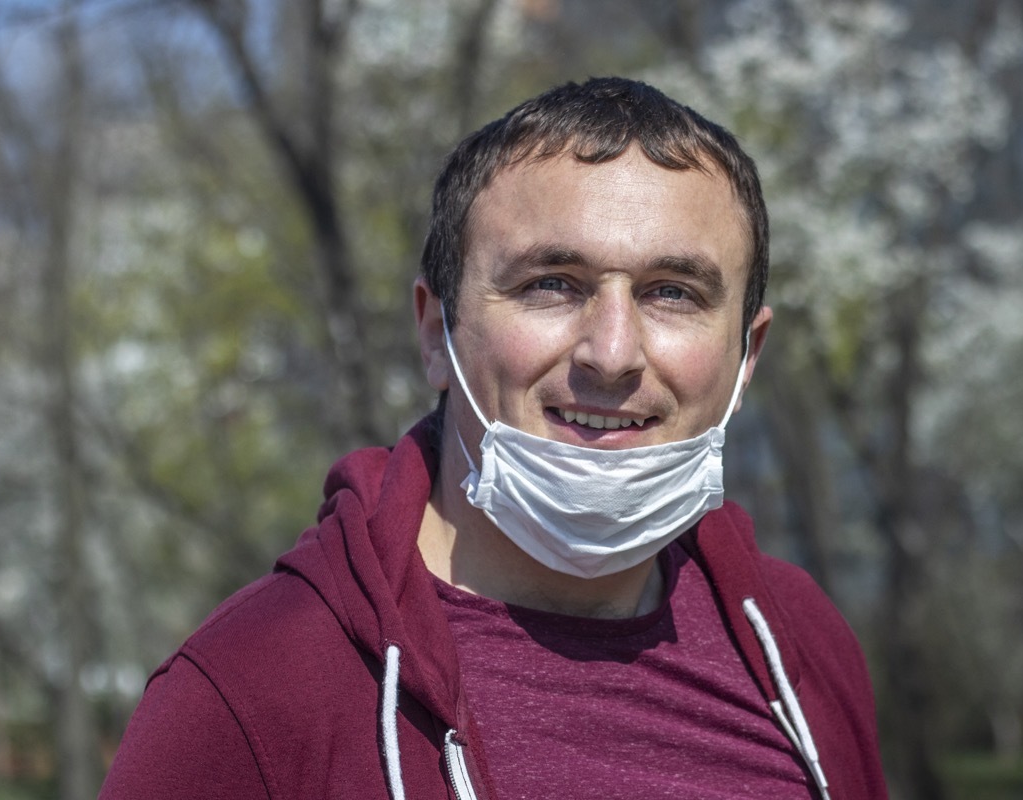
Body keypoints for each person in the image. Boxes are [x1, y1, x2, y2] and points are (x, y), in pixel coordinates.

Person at [102, 77, 887, 800]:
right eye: (552, 284)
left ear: (748, 356)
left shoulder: (801, 646)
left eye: (672, 293)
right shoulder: (251, 691)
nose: (611, 354)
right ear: (435, 333)